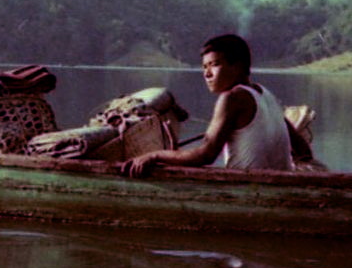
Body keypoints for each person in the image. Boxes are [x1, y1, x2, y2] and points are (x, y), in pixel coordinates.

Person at [122, 34, 304, 177]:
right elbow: (303, 150)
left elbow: (205, 155)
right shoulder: (266, 94)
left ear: (238, 66)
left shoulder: (232, 97)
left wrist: (154, 155)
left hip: (248, 190)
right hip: (276, 186)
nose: (207, 74)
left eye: (215, 64)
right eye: (204, 67)